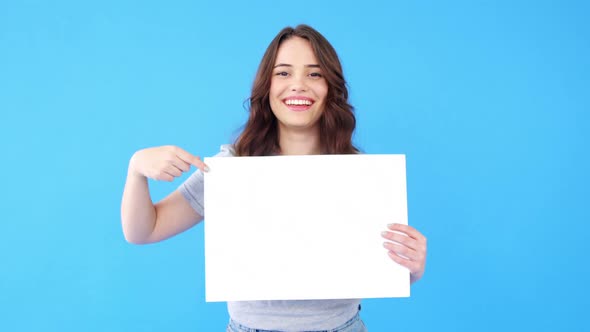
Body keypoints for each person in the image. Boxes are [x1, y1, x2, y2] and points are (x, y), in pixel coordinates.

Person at [121, 24, 427, 332]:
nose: (298, 85)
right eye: (283, 73)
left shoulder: (360, 172)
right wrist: (136, 170)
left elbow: (384, 267)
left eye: (314, 74)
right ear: (266, 86)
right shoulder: (232, 168)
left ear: (330, 87)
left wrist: (409, 267)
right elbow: (145, 231)